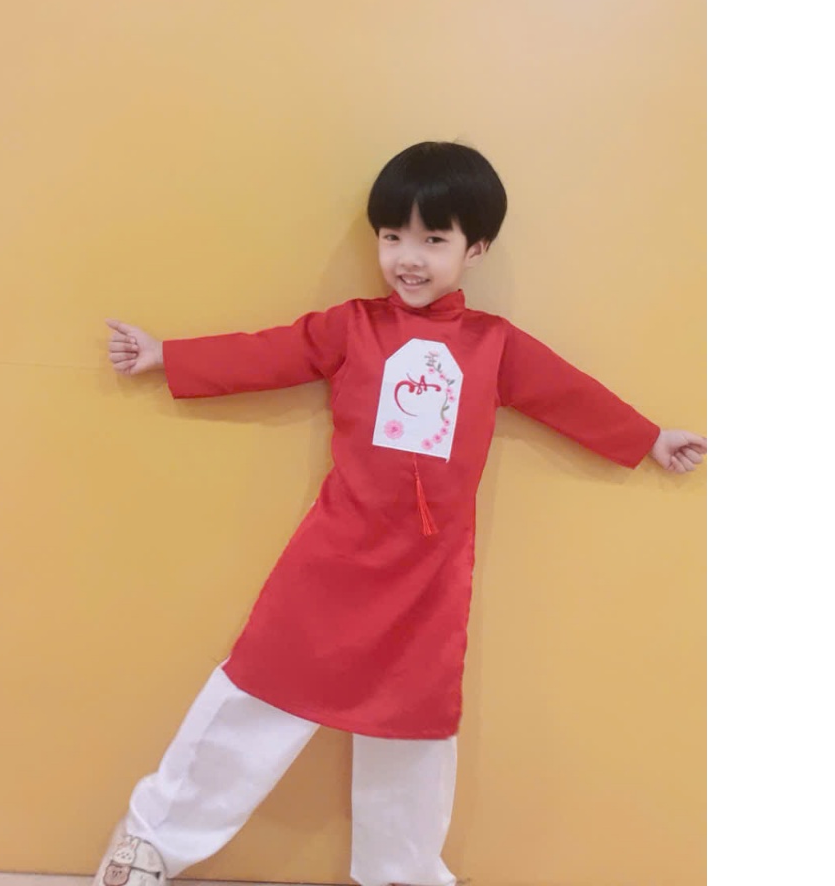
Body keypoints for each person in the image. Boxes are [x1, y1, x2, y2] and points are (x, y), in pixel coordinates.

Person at [96, 141, 706, 886]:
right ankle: (152, 841)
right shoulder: (352, 328)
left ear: (476, 249)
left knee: (413, 731)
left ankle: (401, 873)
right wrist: (169, 355)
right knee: (258, 693)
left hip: (429, 576)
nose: (408, 259)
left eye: (433, 239)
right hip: (333, 557)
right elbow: (269, 353)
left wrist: (648, 438)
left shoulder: (494, 347)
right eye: (392, 237)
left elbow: (568, 395)